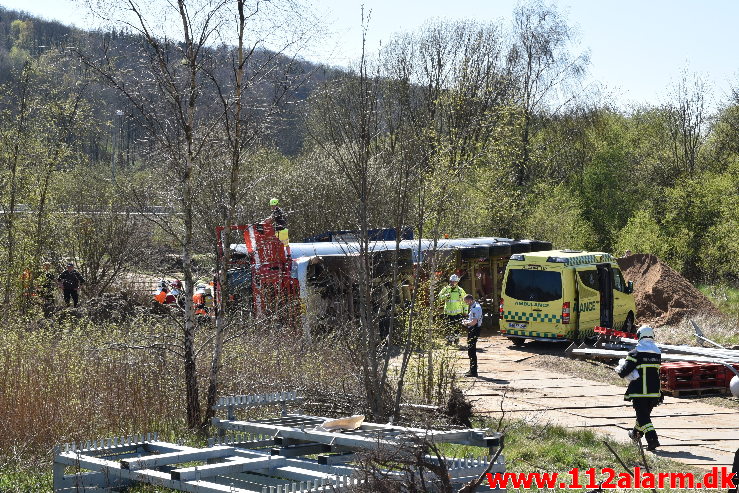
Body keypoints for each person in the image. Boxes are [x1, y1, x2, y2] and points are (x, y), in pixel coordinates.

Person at [615, 325, 662, 451]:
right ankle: (635, 434)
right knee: (643, 416)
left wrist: (619, 368)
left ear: (639, 336)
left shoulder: (635, 353)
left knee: (643, 417)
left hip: (640, 391)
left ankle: (653, 439)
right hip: (654, 391)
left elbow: (624, 371)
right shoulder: (657, 353)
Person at [438, 274, 467, 344]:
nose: (453, 283)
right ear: (449, 281)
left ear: (457, 282)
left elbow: (465, 301)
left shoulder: (460, 290)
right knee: (448, 327)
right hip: (448, 313)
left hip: (457, 313)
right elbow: (439, 296)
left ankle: (456, 339)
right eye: (451, 281)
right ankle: (449, 341)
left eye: (454, 282)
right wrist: (445, 296)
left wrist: (465, 311)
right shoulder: (446, 289)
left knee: (456, 327)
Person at [461, 294, 482, 377]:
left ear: (470, 300)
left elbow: (474, 322)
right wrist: (467, 321)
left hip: (474, 330)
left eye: (466, 302)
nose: (466, 304)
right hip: (474, 329)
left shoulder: (475, 308)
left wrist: (466, 324)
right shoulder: (476, 306)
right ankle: (472, 369)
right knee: (471, 350)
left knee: (471, 351)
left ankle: (473, 371)